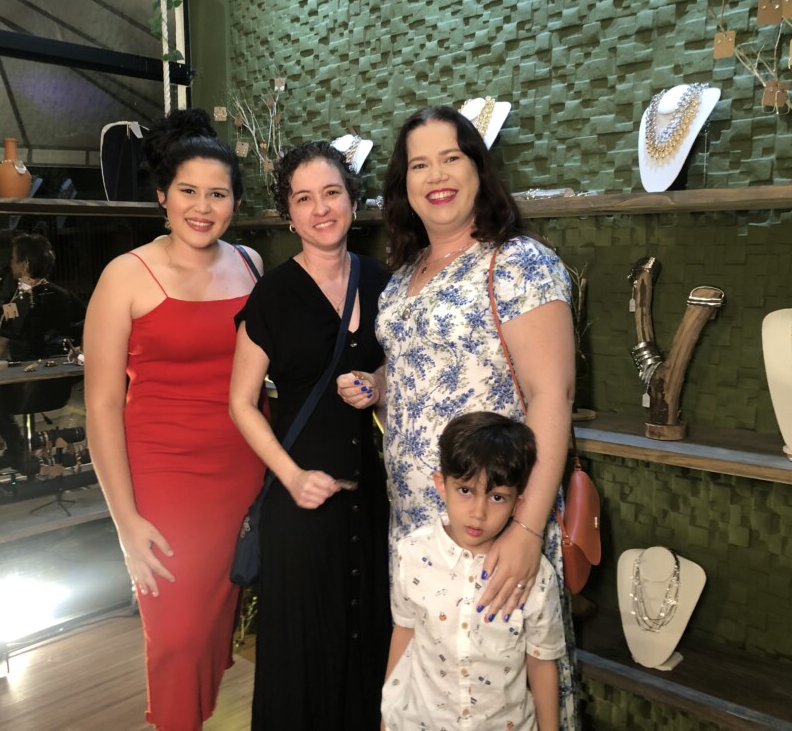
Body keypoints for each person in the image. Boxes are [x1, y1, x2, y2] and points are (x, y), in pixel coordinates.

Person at [338, 104, 578, 728]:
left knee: (497, 691)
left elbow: (551, 397)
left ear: (478, 169)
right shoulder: (404, 276)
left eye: (451, 157)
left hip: (494, 519)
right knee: (432, 691)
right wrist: (378, 383)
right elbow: (418, 367)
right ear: (405, 185)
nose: (437, 175)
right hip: (421, 526)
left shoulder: (519, 263)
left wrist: (526, 530)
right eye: (420, 164)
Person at [84, 108, 265, 731]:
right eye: (188, 191)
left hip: (246, 469)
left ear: (235, 202)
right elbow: (102, 406)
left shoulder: (250, 264)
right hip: (166, 477)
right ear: (162, 195)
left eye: (218, 194)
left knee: (218, 627)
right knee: (178, 635)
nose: (202, 207)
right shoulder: (124, 276)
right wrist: (125, 521)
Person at [229, 141, 391, 731]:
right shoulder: (273, 294)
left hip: (373, 498)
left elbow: (405, 369)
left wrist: (378, 382)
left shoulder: (383, 281)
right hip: (302, 501)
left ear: (353, 201)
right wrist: (292, 477)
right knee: (303, 650)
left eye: (331, 193)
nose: (321, 209)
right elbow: (241, 402)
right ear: (289, 214)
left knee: (370, 639)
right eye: (304, 198)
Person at [382, 411, 563, 731]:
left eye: (497, 497)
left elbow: (541, 661)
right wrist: (388, 718)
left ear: (518, 502)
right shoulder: (412, 555)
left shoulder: (534, 576)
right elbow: (405, 631)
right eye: (465, 490)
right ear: (442, 485)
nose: (479, 512)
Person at [0, 233, 84, 470]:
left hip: (26, 389)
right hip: (60, 386)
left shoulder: (13, 306)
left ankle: (15, 449)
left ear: (24, 265)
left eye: (12, 259)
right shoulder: (65, 297)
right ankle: (16, 449)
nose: (10, 264)